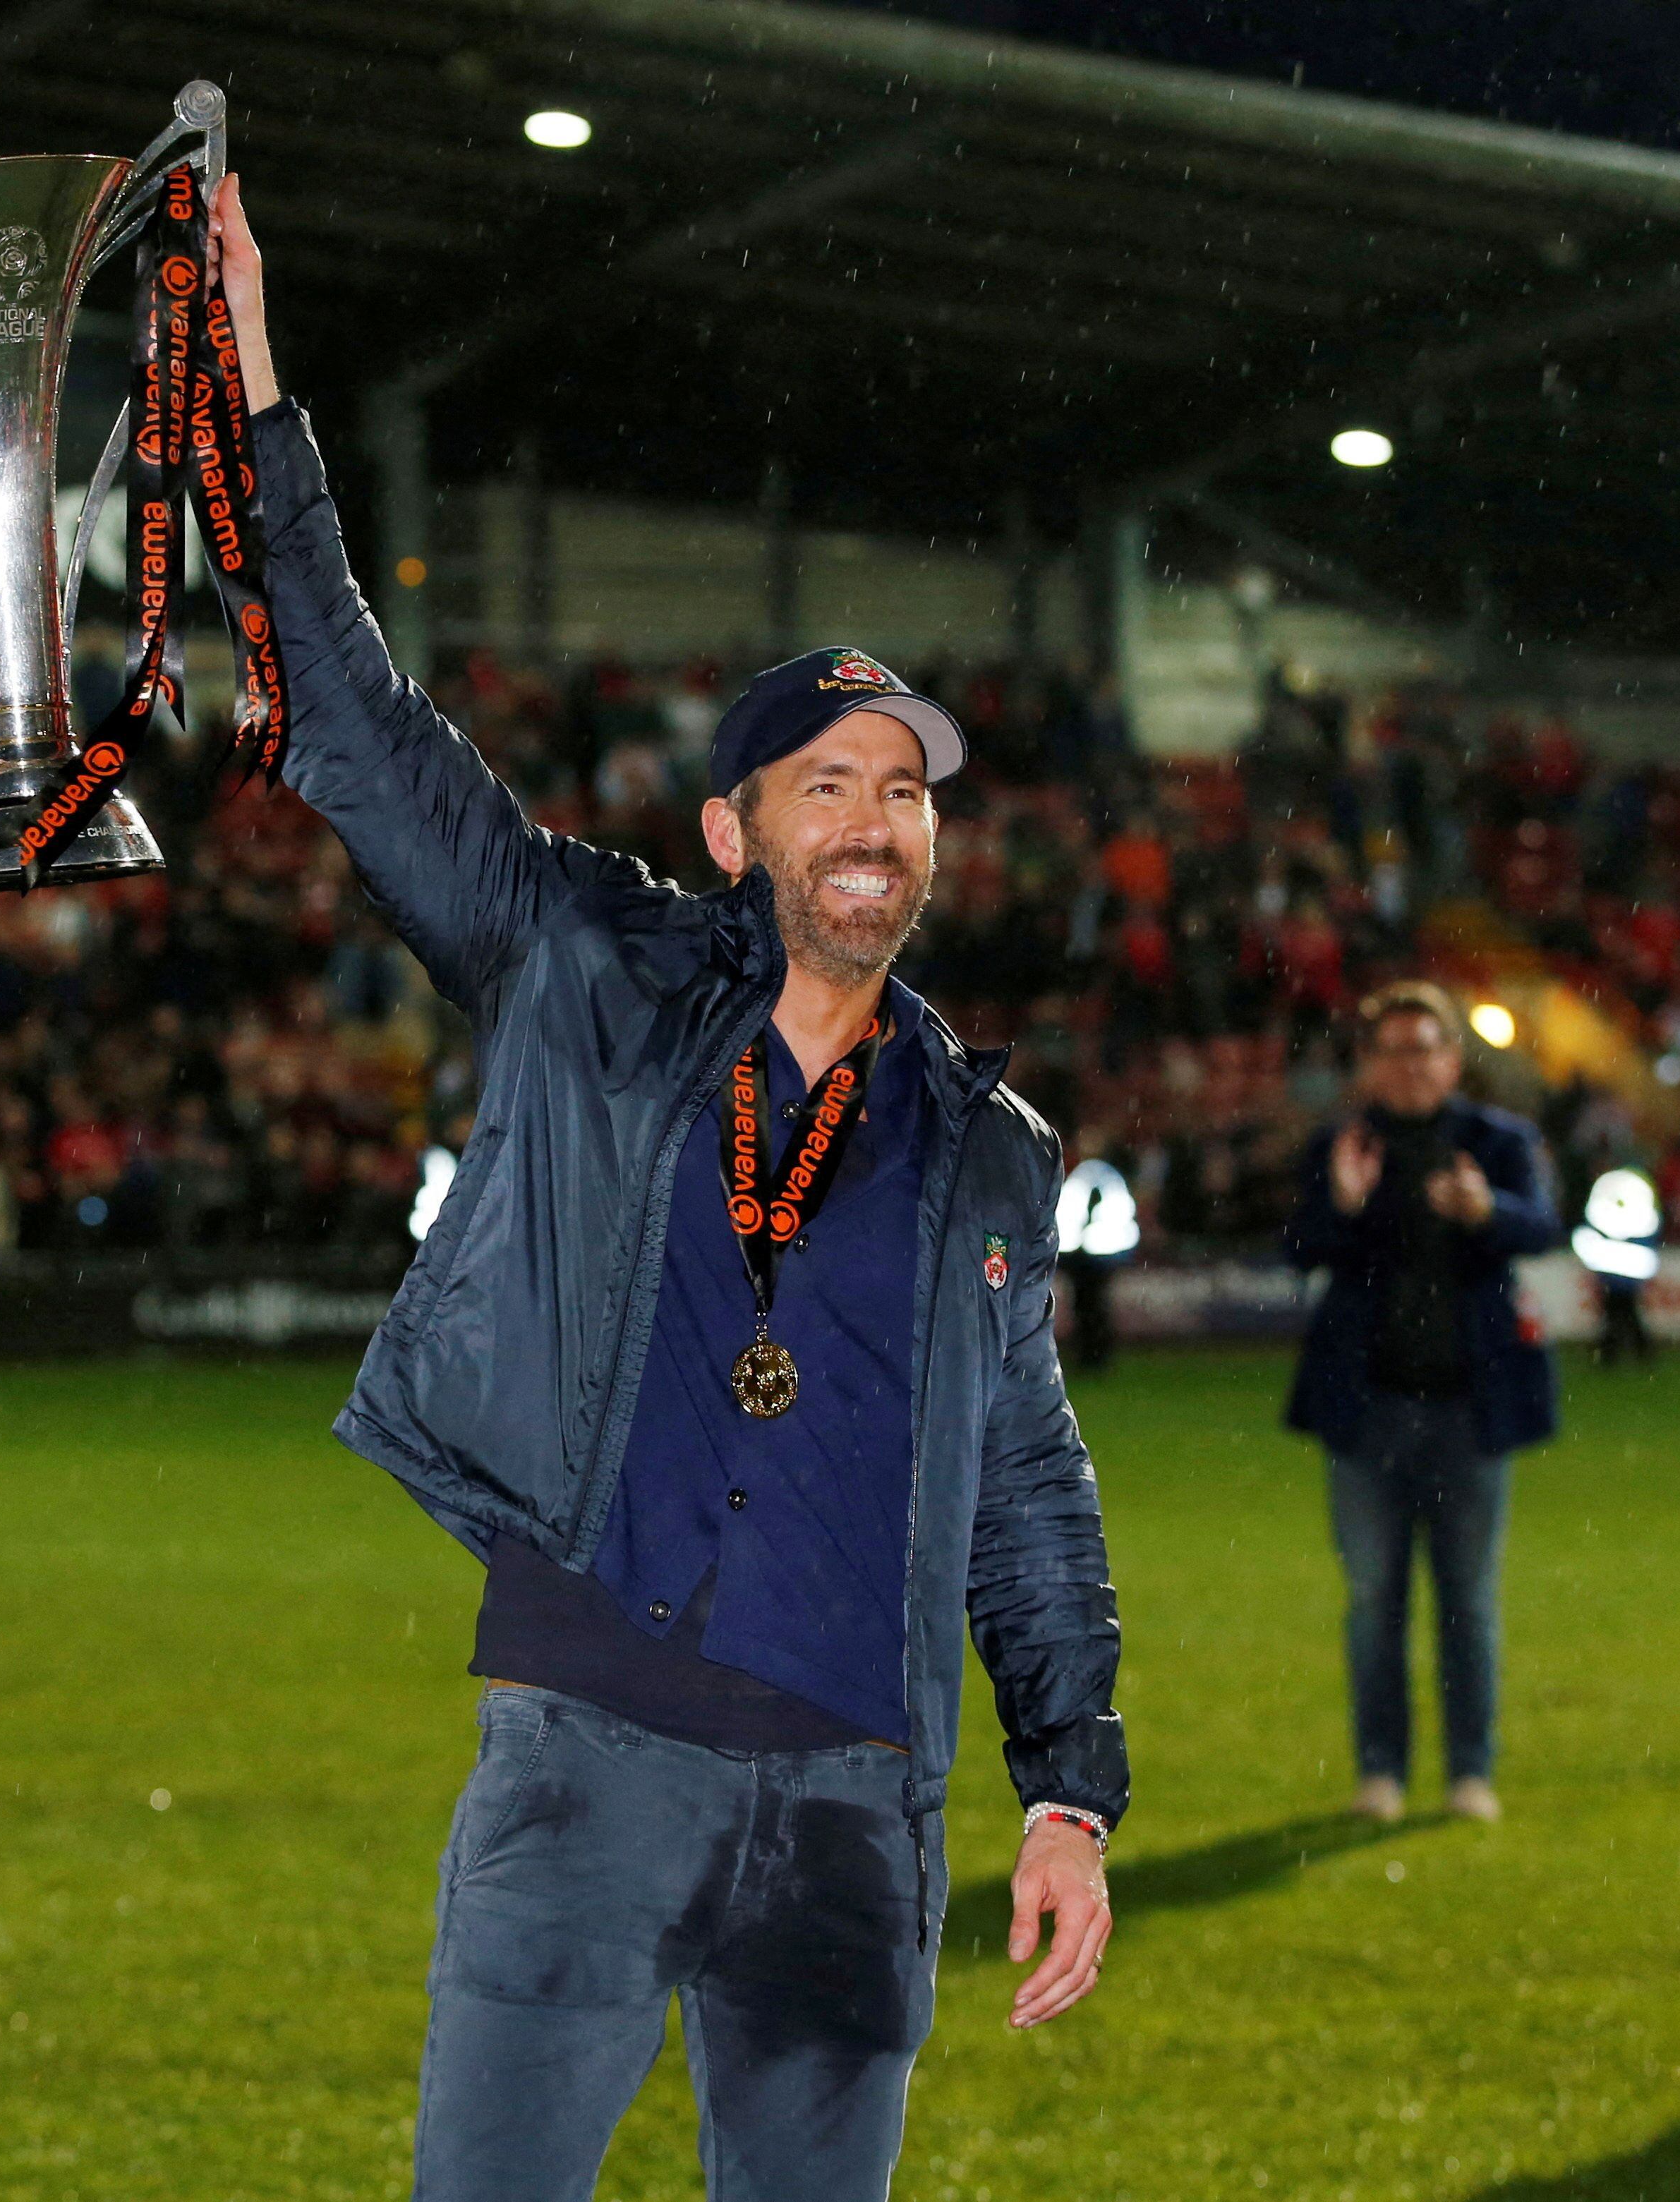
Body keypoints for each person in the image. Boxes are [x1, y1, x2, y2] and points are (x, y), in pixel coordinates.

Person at [216, 179, 1123, 2202]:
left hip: (856, 1803)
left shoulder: (985, 1143)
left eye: (907, 789)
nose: (878, 819)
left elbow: (1027, 1485)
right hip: (589, 1757)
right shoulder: (584, 974)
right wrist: (257, 388)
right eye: (830, 780)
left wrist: (1066, 1790)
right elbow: (356, 736)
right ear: (735, 827)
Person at [1282, 980, 1560, 1825]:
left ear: (1453, 1058)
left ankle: (1470, 1772)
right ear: (1371, 1062)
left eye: (1427, 1048)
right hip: (1367, 1413)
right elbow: (1296, 1247)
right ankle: (1382, 1773)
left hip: (1471, 1411)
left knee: (1468, 1602)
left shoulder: (1498, 1140)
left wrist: (1490, 1210)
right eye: (1396, 1049)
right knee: (1374, 1604)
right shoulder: (1342, 1144)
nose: (1413, 1065)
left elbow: (1547, 1226)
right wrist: (1344, 1202)